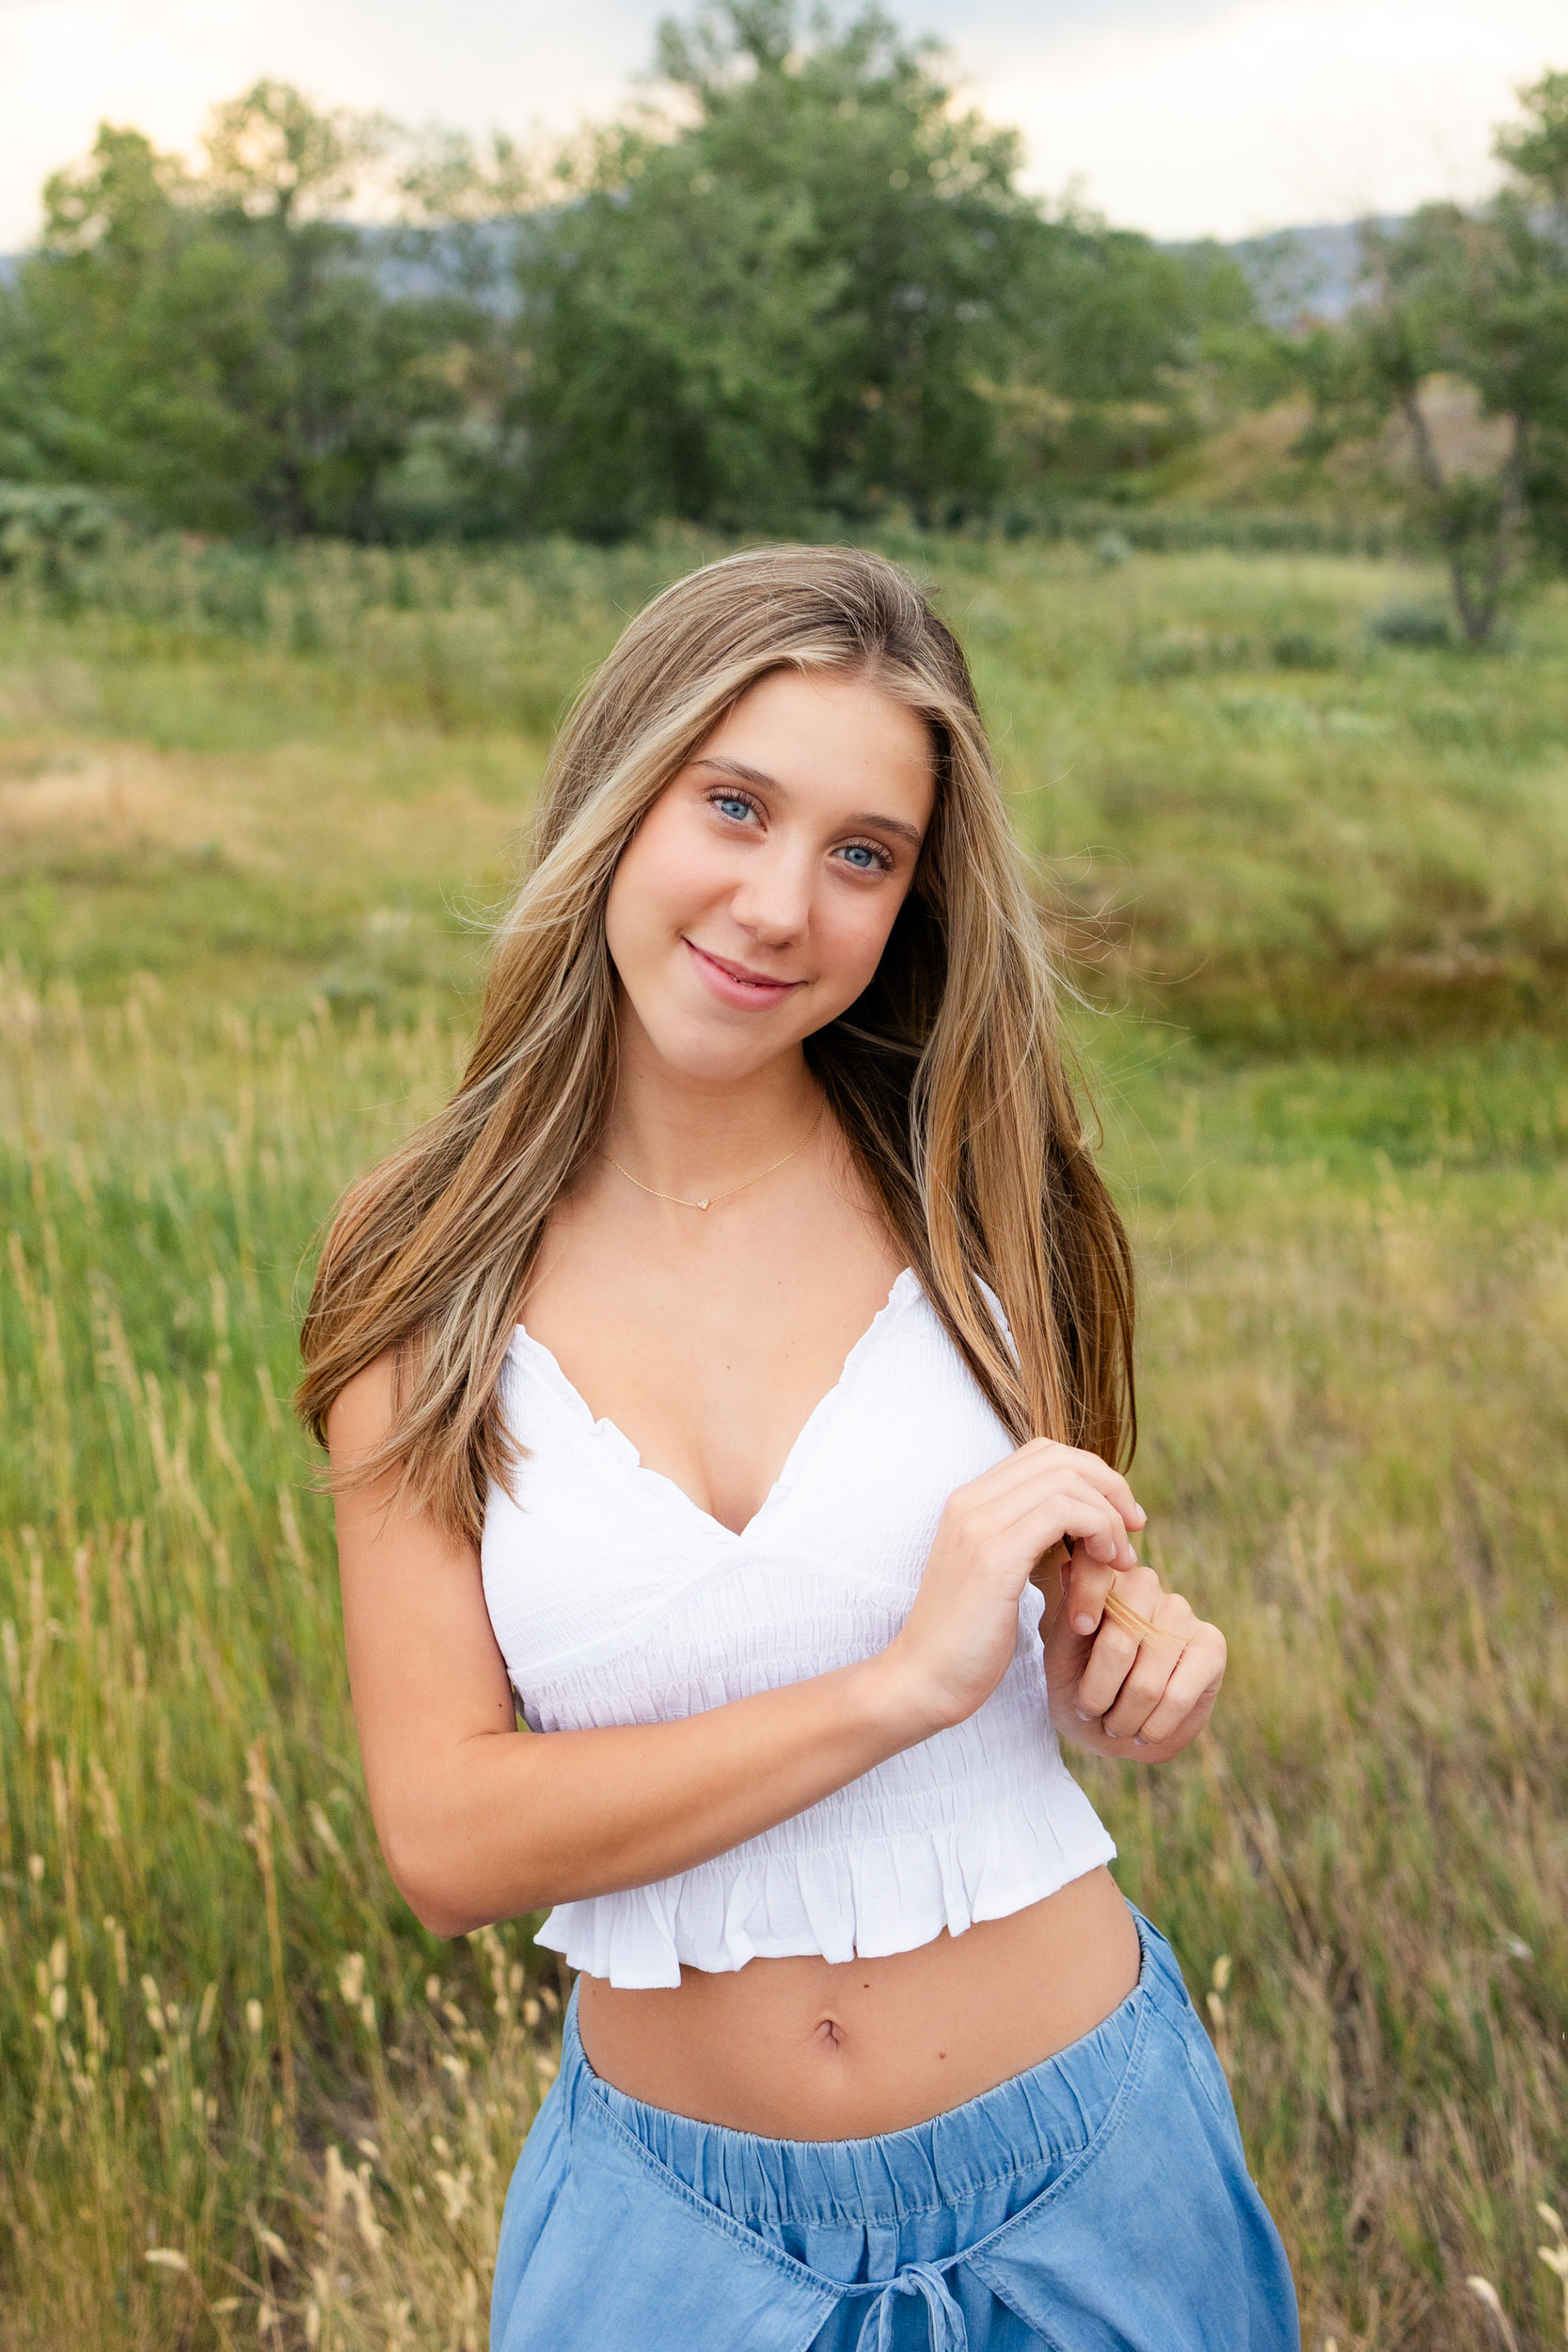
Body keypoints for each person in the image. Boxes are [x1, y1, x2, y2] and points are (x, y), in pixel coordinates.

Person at [299, 546, 1299, 2351]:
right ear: (621, 793)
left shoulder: (993, 1199)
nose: (780, 905)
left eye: (863, 853)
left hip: (1090, 2178)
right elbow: (444, 1833)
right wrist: (893, 1687)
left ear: (914, 899)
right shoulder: (420, 1262)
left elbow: (1081, 1596)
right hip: (678, 2244)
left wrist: (1125, 1659)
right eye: (735, 806)